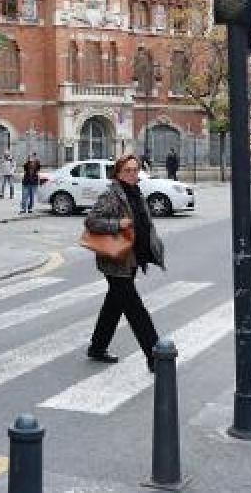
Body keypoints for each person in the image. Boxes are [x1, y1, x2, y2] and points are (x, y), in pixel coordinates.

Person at [83, 154, 166, 373]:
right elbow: (91, 221)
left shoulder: (136, 192)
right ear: (118, 173)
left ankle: (97, 347)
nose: (132, 174)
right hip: (115, 259)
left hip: (131, 257)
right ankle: (155, 355)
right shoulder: (112, 194)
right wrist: (117, 223)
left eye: (135, 170)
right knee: (135, 309)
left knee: (115, 303)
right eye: (127, 170)